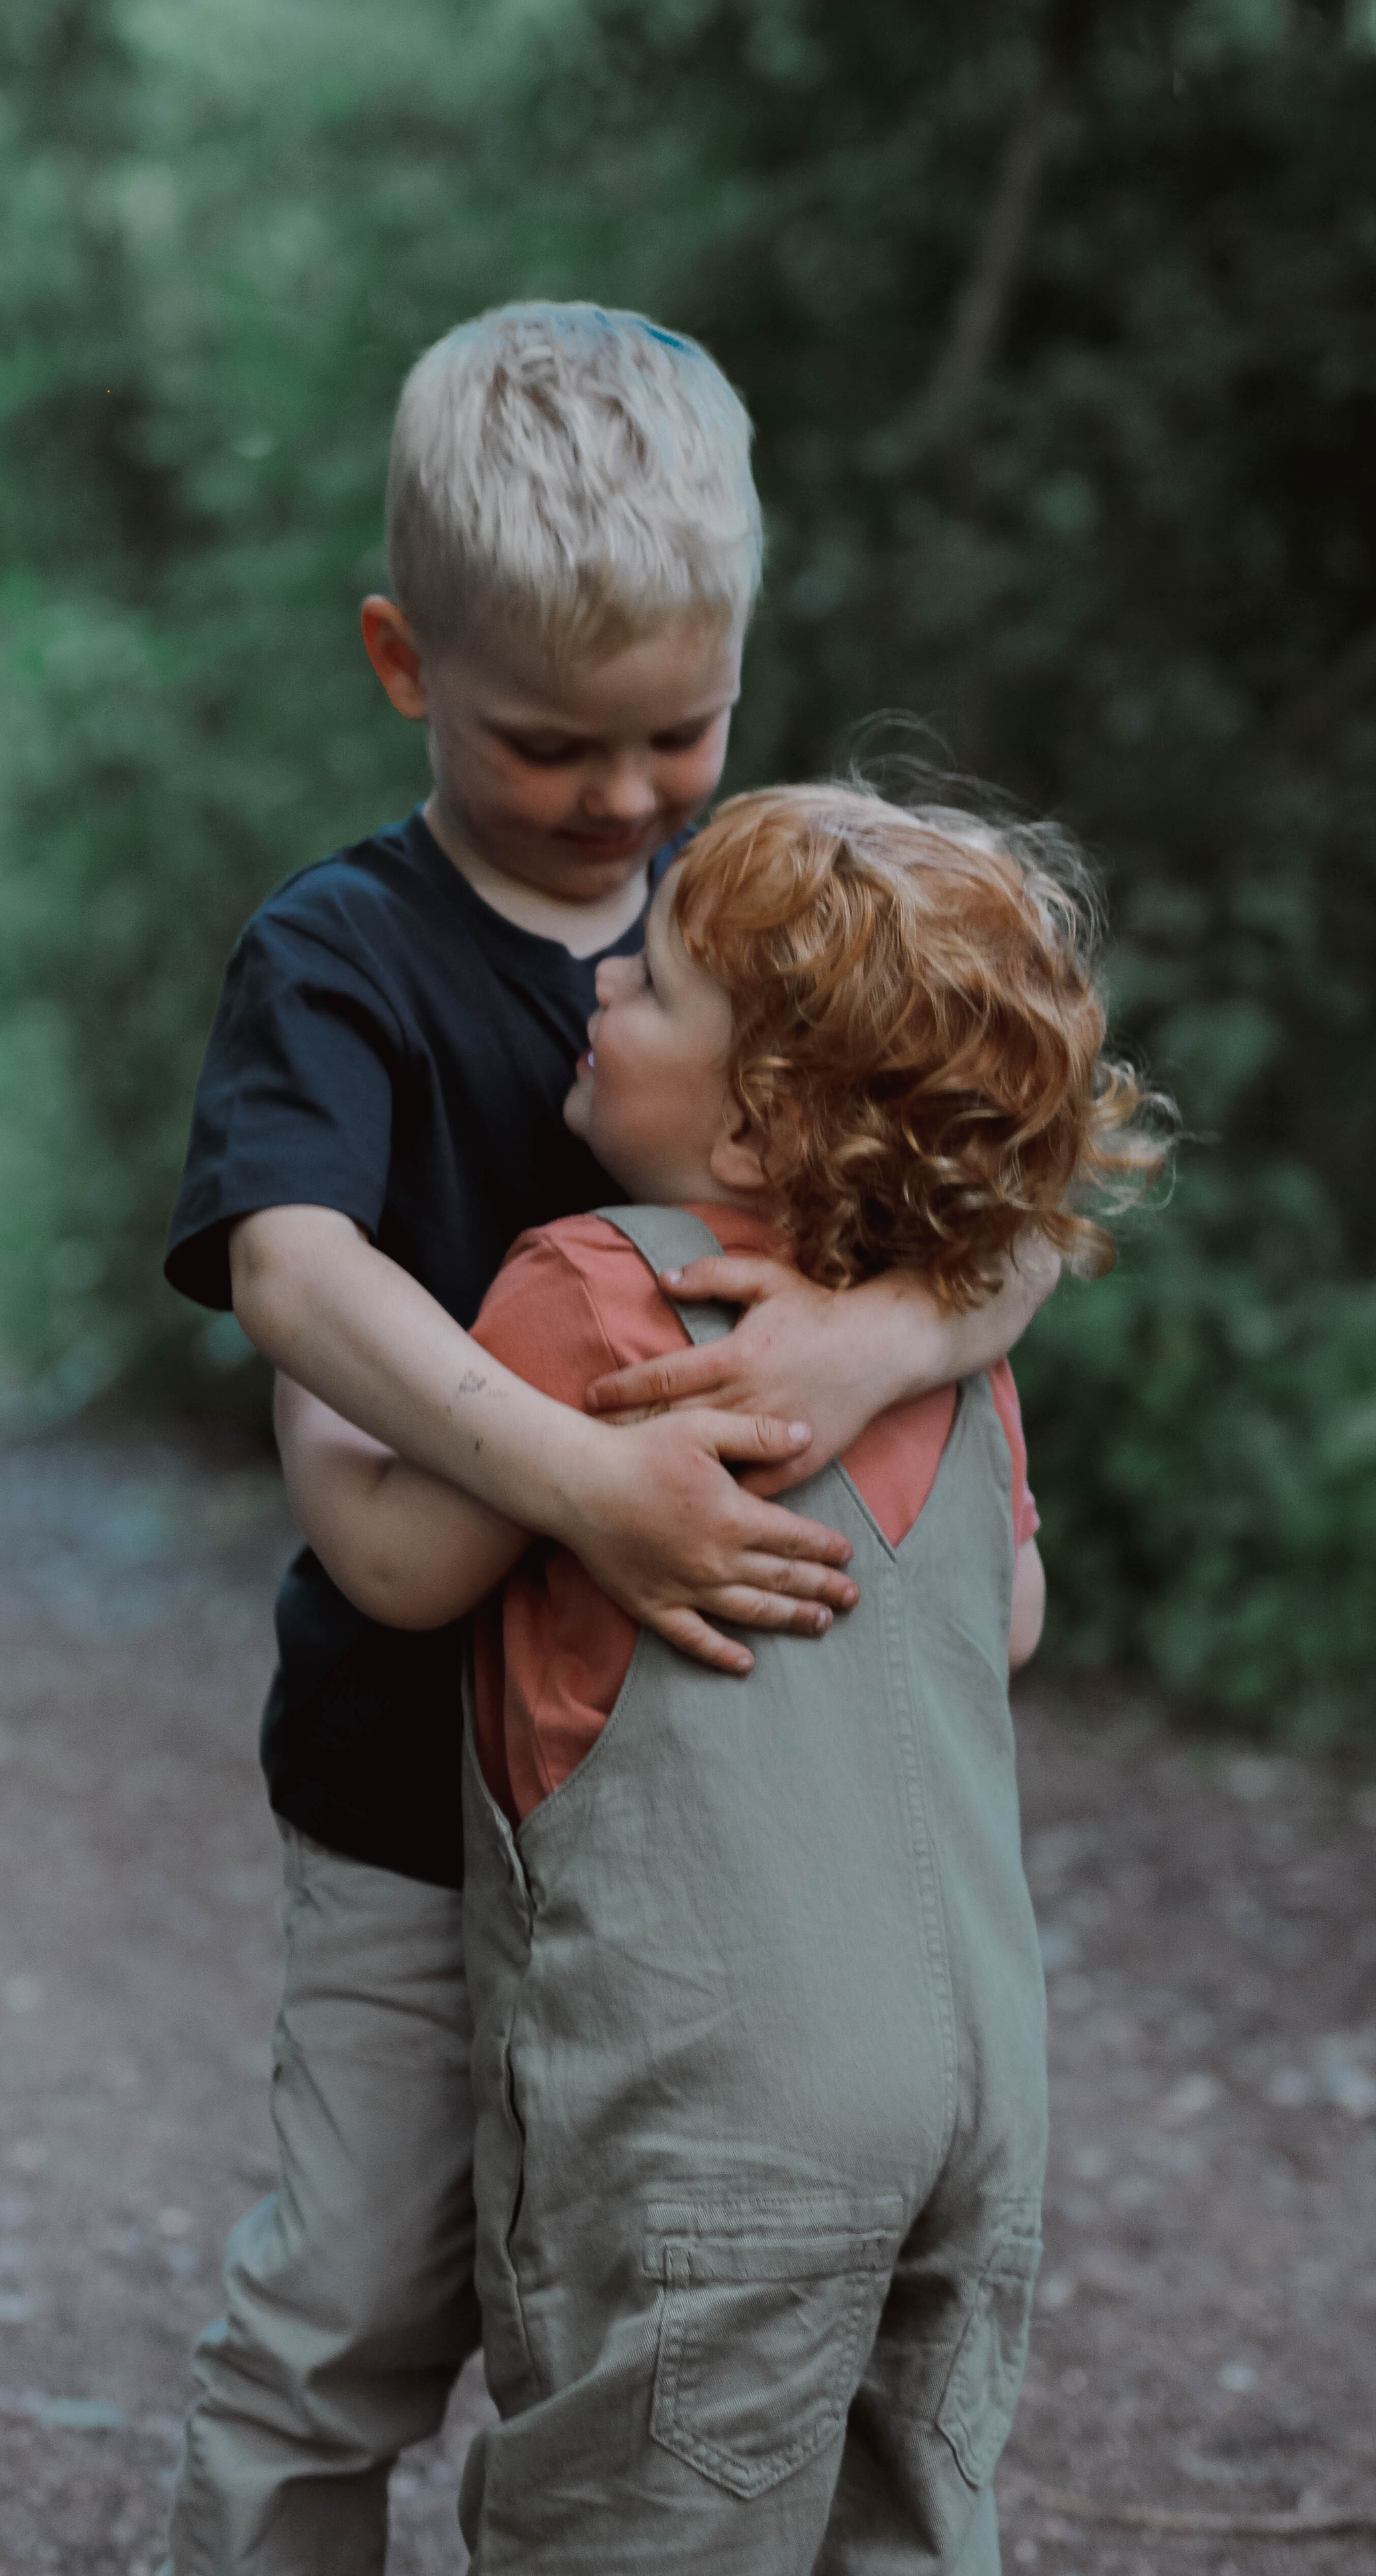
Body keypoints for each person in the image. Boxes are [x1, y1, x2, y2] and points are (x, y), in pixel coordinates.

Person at [160, 305, 1057, 2574]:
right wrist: (589, 1486)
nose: (629, 800)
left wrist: (865, 1345)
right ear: (405, 663)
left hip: (721, 1858)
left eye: (683, 729)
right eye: (554, 743)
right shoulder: (344, 953)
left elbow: (1028, 1211)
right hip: (415, 1788)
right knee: (355, 2307)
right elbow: (293, 1270)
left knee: (685, 2343)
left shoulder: (782, 930)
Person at [284, 782, 1168, 2573]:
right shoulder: (952, 1354)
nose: (603, 982)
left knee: (644, 2532)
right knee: (903, 2535)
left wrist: (324, 1378)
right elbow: (1007, 1618)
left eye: (655, 981)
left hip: (718, 2116)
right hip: (977, 2099)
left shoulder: (586, 1290)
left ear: (758, 1123)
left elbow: (395, 1560)